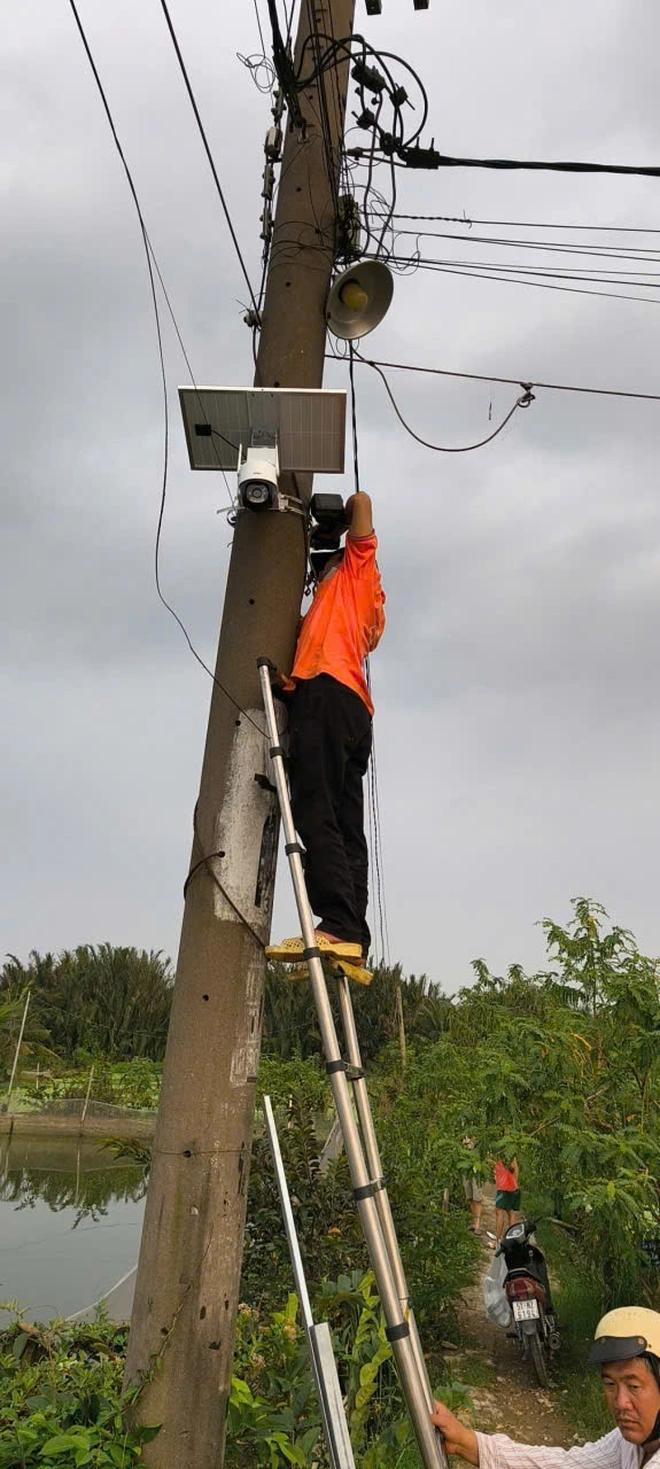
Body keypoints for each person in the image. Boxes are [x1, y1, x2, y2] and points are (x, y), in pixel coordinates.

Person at [267, 489, 385, 978]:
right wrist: (289, 687)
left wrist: (333, 531)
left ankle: (335, 924)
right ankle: (353, 936)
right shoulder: (338, 613)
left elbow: (361, 500)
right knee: (344, 823)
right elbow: (314, 649)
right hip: (348, 710)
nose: (319, 574)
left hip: (329, 699)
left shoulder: (359, 575)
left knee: (314, 810)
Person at [430, 1306, 660, 1468]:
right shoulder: (630, 1445)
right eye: (610, 1384)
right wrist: (464, 1441)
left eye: (634, 1386)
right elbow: (568, 1465)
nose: (620, 1402)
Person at [494, 1154, 520, 1242]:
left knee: (499, 1212)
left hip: (504, 1188)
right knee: (511, 1213)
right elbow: (516, 1169)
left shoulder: (504, 1154)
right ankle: (512, 1240)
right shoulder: (511, 1154)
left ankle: (497, 1240)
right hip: (513, 1188)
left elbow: (513, 1167)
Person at [462, 1137, 484, 1234]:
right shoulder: (464, 1134)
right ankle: (474, 1222)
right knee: (470, 1197)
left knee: (477, 1198)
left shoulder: (478, 1136)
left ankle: (478, 1225)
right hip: (465, 1168)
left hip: (476, 1169)